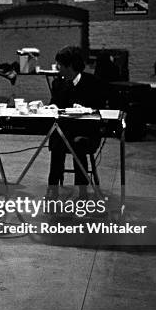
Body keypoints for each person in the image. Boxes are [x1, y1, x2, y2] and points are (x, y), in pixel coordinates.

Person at [44, 46, 106, 199]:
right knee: (57, 140)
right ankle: (53, 189)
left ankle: (83, 192)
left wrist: (87, 109)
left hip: (87, 132)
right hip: (65, 132)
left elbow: (101, 110)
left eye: (59, 64)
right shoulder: (59, 83)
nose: (57, 67)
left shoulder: (93, 82)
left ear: (69, 66)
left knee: (78, 144)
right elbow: (55, 103)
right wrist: (53, 107)